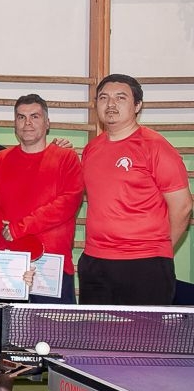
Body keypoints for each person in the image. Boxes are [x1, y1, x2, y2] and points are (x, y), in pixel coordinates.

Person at [79, 74, 191, 306]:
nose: (111, 104)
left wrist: (157, 250)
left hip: (145, 264)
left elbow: (183, 206)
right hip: (95, 262)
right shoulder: (91, 149)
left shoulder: (156, 147)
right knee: (95, 330)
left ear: (137, 105)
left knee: (144, 331)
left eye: (121, 98)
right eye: (104, 98)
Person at [0, 94, 84, 304]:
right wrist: (3, 227)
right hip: (7, 263)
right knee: (5, 326)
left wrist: (19, 228)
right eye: (21, 117)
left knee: (53, 327)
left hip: (52, 266)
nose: (27, 123)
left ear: (47, 123)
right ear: (15, 123)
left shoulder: (67, 158)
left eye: (34, 116)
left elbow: (67, 203)